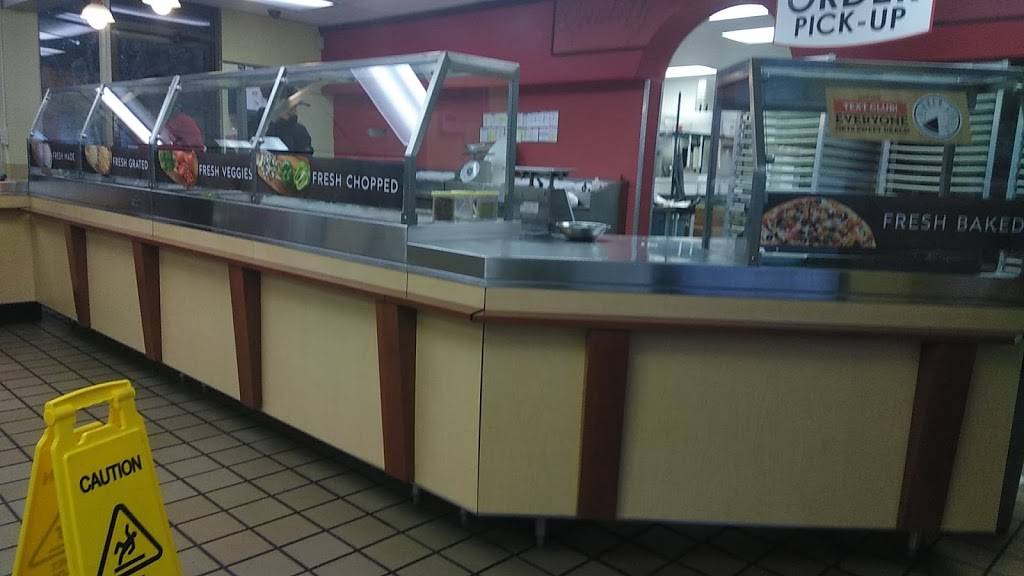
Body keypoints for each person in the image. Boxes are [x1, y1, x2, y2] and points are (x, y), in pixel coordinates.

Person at [266, 86, 313, 155]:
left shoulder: (300, 131)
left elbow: (306, 157)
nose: (293, 110)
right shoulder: (261, 128)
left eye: (295, 106)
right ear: (274, 106)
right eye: (288, 106)